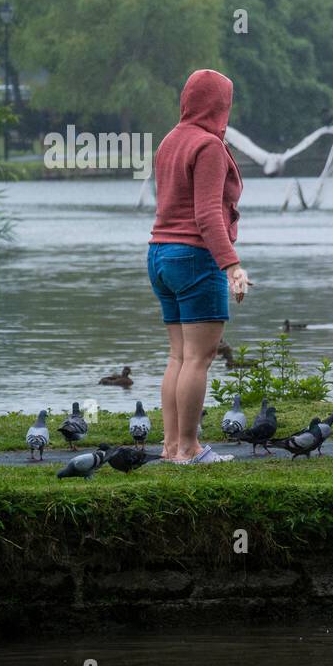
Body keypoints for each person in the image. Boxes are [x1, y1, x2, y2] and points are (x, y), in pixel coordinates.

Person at [148, 69, 251, 463]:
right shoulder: (207, 146)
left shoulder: (170, 140)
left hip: (160, 254)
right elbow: (207, 213)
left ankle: (171, 446)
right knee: (198, 358)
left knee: (178, 357)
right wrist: (233, 266)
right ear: (219, 105)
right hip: (193, 257)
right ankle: (189, 449)